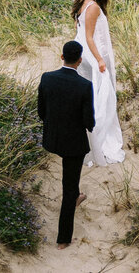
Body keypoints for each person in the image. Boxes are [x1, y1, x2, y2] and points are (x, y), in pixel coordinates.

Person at [36, 39, 96, 247]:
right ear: (79, 61)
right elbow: (89, 122)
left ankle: (78, 197)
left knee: (72, 183)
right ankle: (63, 239)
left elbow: (41, 112)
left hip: (52, 139)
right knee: (68, 187)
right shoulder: (84, 86)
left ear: (62, 57)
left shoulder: (47, 78)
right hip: (73, 143)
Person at [71, 0, 124, 165]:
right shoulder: (92, 7)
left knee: (94, 94)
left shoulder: (83, 2)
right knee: (103, 97)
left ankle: (89, 134)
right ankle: (99, 138)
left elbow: (80, 32)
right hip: (94, 53)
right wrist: (100, 60)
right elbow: (89, 37)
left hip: (84, 52)